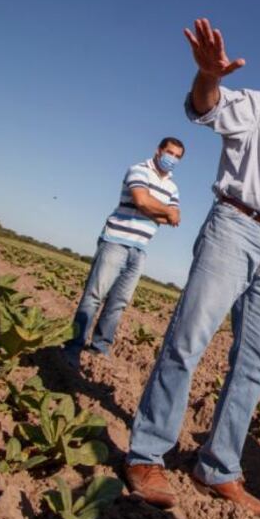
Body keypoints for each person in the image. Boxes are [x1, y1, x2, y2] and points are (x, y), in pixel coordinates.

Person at [124, 18, 260, 517]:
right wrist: (208, 75)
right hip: (235, 227)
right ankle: (146, 454)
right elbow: (206, 107)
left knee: (256, 365)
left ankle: (218, 466)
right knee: (188, 342)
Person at [62, 139, 183, 368]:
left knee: (118, 302)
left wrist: (153, 208)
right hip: (116, 241)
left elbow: (173, 218)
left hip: (140, 250)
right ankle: (73, 346)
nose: (172, 159)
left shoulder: (173, 188)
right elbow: (140, 200)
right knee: (95, 295)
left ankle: (100, 347)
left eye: (178, 156)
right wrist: (161, 210)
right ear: (158, 151)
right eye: (170, 153)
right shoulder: (138, 170)